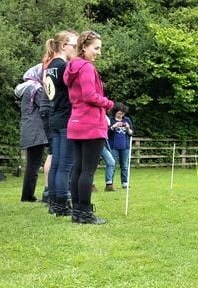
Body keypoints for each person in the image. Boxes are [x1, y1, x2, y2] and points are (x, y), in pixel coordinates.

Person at [64, 30, 116, 224]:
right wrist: (110, 104)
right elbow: (89, 95)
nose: (98, 52)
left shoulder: (72, 67)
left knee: (78, 168)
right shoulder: (86, 67)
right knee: (87, 171)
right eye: (96, 48)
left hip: (76, 123)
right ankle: (85, 212)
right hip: (91, 124)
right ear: (84, 47)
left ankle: (77, 211)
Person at [42, 30, 79, 216]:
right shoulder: (64, 67)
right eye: (74, 45)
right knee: (65, 165)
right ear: (64, 46)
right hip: (65, 118)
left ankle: (54, 202)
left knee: (56, 163)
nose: (77, 49)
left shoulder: (48, 66)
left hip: (54, 116)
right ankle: (62, 205)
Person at [16, 63, 49, 202]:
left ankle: (27, 195)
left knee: (32, 164)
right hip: (35, 131)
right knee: (33, 165)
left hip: (29, 130)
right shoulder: (36, 89)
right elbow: (45, 106)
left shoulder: (27, 88)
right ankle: (28, 196)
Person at [108, 103, 133, 190]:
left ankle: (125, 183)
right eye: (119, 113)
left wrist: (128, 128)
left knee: (124, 166)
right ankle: (110, 184)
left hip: (125, 147)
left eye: (122, 113)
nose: (120, 115)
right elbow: (107, 133)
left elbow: (131, 133)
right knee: (112, 165)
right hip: (113, 147)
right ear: (115, 112)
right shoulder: (111, 120)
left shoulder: (127, 120)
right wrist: (113, 127)